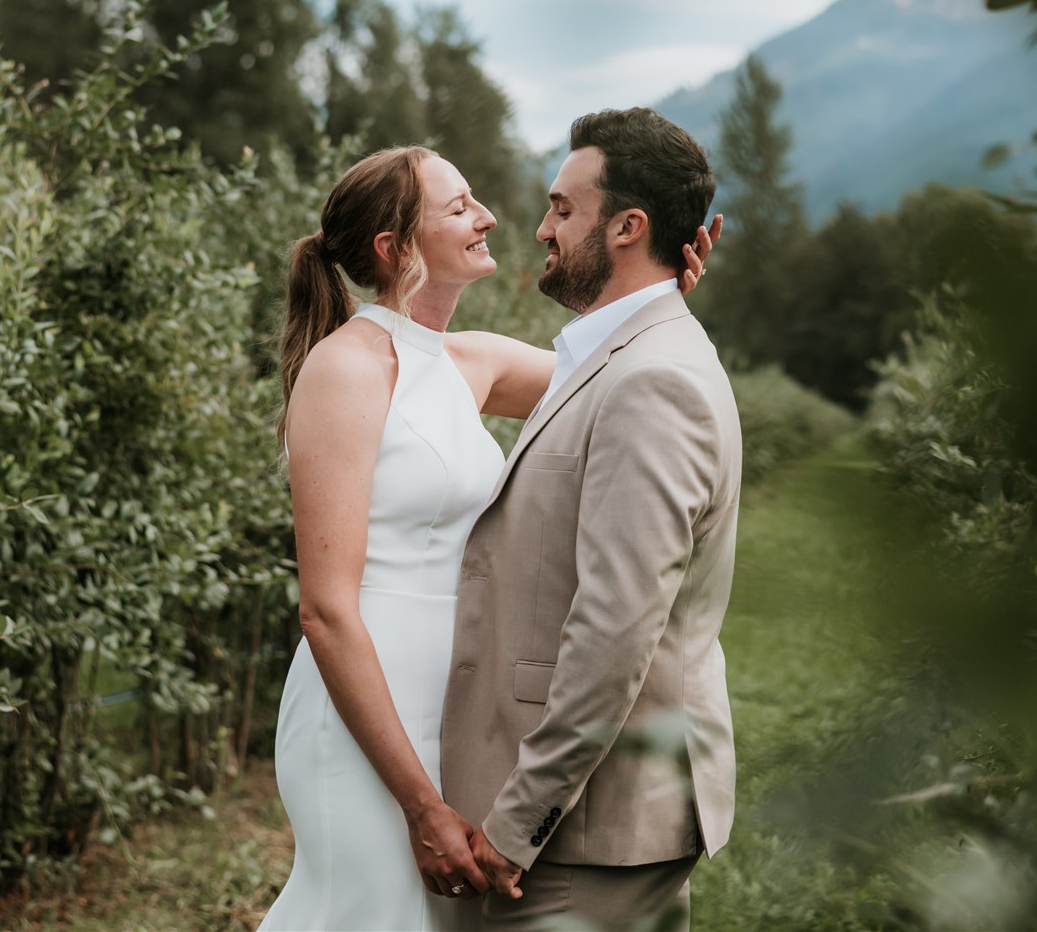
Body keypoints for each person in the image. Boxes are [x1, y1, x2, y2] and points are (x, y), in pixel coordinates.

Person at [259, 144, 717, 932]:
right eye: (459, 206)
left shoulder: (471, 361)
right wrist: (420, 802)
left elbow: (622, 379)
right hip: (370, 707)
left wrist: (659, 288)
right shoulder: (345, 370)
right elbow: (325, 611)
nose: (490, 217)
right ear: (394, 247)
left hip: (458, 707)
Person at [443, 108, 740, 930]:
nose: (542, 228)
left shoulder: (653, 382)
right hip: (582, 824)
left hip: (586, 832)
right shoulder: (625, 356)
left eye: (562, 209)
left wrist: (518, 823)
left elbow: (615, 630)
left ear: (627, 227)